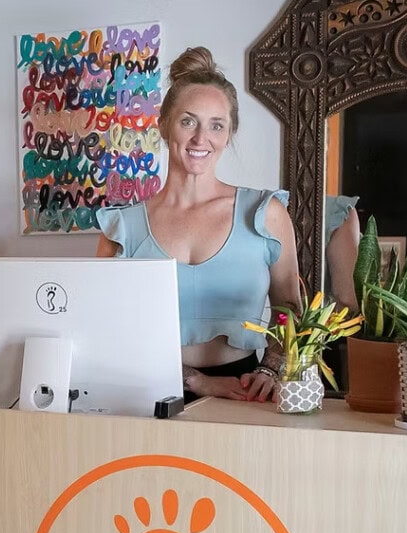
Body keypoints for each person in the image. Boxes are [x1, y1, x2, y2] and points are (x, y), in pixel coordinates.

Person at [96, 47, 300, 403]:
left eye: (216, 125)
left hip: (247, 391)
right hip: (146, 393)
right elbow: (105, 329)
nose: (200, 139)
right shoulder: (122, 228)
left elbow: (289, 309)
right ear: (163, 125)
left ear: (229, 133)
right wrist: (199, 383)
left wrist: (270, 369)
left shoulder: (265, 213)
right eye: (188, 121)